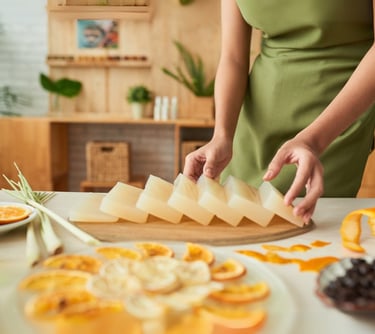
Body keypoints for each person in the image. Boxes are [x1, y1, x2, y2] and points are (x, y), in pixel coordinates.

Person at [183, 0, 375, 224]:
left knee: (311, 230)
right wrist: (222, 135)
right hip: (256, 121)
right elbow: (232, 57)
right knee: (239, 223)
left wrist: (312, 141)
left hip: (335, 118)